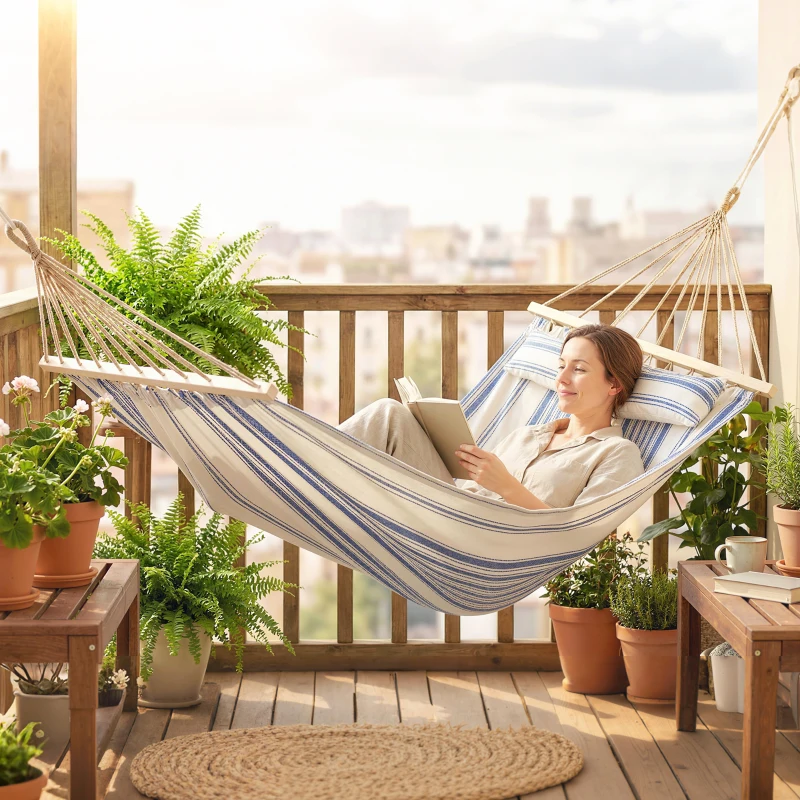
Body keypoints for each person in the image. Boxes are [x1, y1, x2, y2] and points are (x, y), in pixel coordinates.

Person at [339, 323, 645, 510]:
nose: (561, 379)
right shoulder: (529, 434)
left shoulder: (616, 453)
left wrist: (506, 486)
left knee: (388, 414)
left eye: (578, 369)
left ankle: (305, 467)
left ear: (614, 383)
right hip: (450, 504)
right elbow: (472, 486)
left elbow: (576, 535)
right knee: (393, 415)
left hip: (480, 538)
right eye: (561, 365)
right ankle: (305, 471)